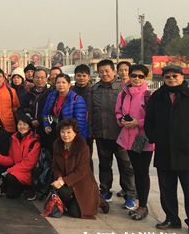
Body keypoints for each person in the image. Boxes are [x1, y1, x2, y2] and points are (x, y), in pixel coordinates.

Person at [145, 64, 189, 230]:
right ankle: (171, 218)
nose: (171, 79)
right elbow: (149, 121)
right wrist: (155, 137)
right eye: (167, 76)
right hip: (164, 150)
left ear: (182, 77)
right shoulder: (157, 96)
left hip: (186, 152)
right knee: (167, 189)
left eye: (174, 76)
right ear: (163, 78)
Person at [88, 59, 136, 209]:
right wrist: (92, 131)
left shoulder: (125, 87)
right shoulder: (94, 89)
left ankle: (130, 195)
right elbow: (90, 113)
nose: (104, 74)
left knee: (126, 166)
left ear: (114, 72)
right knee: (104, 165)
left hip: (121, 135)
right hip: (102, 134)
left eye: (107, 71)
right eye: (101, 72)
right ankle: (105, 191)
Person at [115, 64, 152, 221]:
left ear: (145, 78)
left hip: (142, 138)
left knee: (142, 172)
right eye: (134, 75)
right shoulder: (123, 93)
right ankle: (138, 202)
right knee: (135, 170)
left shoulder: (148, 95)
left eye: (140, 76)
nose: (136, 78)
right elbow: (117, 112)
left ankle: (142, 206)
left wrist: (138, 122)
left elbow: (153, 118)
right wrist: (121, 120)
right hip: (127, 137)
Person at [52, 119, 109, 219]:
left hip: (82, 182)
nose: (65, 135)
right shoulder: (57, 144)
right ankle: (71, 202)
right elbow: (55, 166)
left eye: (69, 132)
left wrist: (63, 181)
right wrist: (59, 178)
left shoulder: (83, 146)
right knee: (60, 190)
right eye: (63, 132)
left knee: (76, 213)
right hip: (66, 182)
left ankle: (98, 200)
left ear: (75, 133)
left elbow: (81, 171)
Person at [0, 115, 40, 199]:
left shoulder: (34, 142)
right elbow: (11, 159)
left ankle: (27, 190)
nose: (22, 127)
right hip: (15, 171)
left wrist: (10, 170)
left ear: (29, 127)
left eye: (25, 124)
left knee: (10, 180)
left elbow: (29, 164)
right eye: (20, 124)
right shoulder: (13, 138)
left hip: (27, 173)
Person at [42, 74, 88, 154]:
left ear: (69, 84)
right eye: (58, 82)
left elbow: (80, 123)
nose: (60, 85)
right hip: (54, 133)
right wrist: (46, 125)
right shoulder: (51, 96)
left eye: (63, 82)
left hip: (69, 135)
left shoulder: (76, 99)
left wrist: (78, 139)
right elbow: (45, 113)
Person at [18, 67, 50, 135]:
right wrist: (30, 120)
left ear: (46, 79)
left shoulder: (51, 94)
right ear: (33, 78)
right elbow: (21, 110)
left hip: (46, 130)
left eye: (42, 77)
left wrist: (39, 120)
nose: (40, 80)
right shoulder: (27, 94)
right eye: (37, 77)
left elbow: (52, 112)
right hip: (30, 130)